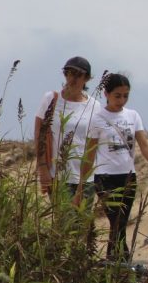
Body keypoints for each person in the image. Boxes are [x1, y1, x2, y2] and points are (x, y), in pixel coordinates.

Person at [80, 73, 148, 261]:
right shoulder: (97, 118)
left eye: (125, 95)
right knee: (115, 220)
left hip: (127, 176)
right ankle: (123, 261)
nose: (122, 100)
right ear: (106, 94)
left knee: (121, 222)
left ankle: (114, 264)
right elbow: (90, 152)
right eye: (117, 95)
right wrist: (82, 183)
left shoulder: (133, 116)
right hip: (105, 177)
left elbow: (143, 144)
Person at [34, 56, 100, 198]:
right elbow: (39, 134)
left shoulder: (94, 105)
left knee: (81, 220)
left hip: (85, 178)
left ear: (86, 78)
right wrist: (43, 169)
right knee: (62, 219)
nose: (73, 79)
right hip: (58, 175)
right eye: (69, 73)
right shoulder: (51, 99)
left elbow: (94, 143)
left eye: (78, 75)